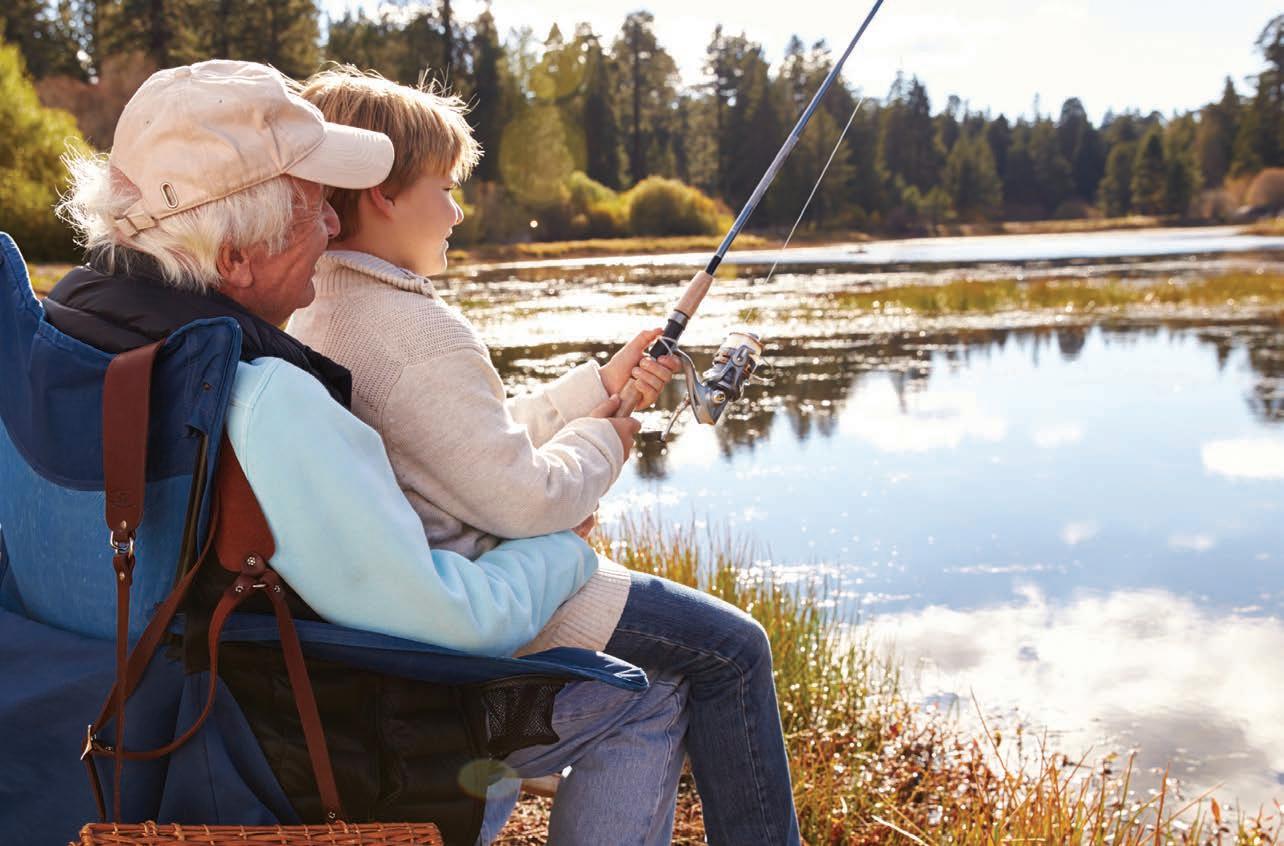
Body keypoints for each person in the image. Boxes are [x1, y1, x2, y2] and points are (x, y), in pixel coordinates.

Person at [47, 59, 693, 845]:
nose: (333, 229)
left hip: (93, 745)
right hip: (283, 762)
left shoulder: (66, 345)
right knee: (644, 693)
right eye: (313, 208)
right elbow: (459, 621)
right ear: (235, 258)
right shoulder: (268, 400)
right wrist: (562, 546)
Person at [291, 66, 801, 845]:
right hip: (483, 612)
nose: (457, 211)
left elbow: (466, 441)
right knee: (734, 650)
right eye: (444, 189)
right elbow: (528, 500)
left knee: (664, 684)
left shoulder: (321, 305)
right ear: (383, 194)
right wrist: (606, 438)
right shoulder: (413, 333)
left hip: (420, 608)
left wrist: (601, 384)